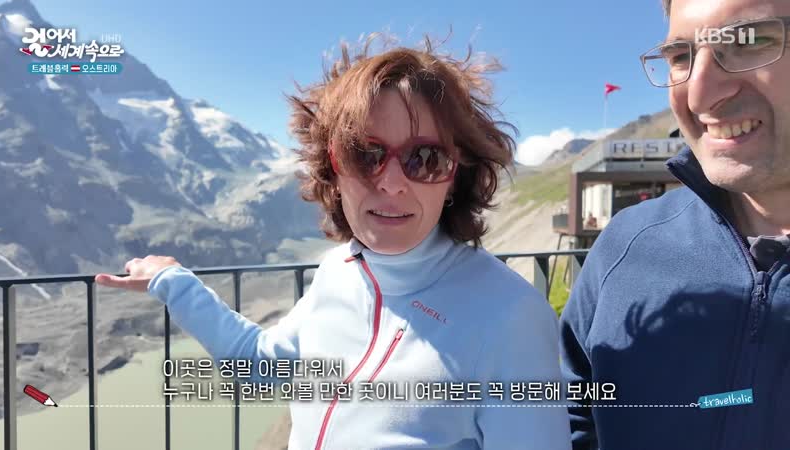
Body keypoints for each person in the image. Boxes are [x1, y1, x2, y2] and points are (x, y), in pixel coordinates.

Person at [97, 36, 570, 449]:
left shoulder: (511, 317)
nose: (391, 183)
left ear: (455, 176)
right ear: (333, 168)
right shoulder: (338, 270)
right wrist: (172, 282)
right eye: (365, 154)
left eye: (425, 158)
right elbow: (265, 365)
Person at [559, 0, 790, 449]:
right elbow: (569, 416)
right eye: (681, 57)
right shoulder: (626, 243)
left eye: (748, 41)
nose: (699, 95)